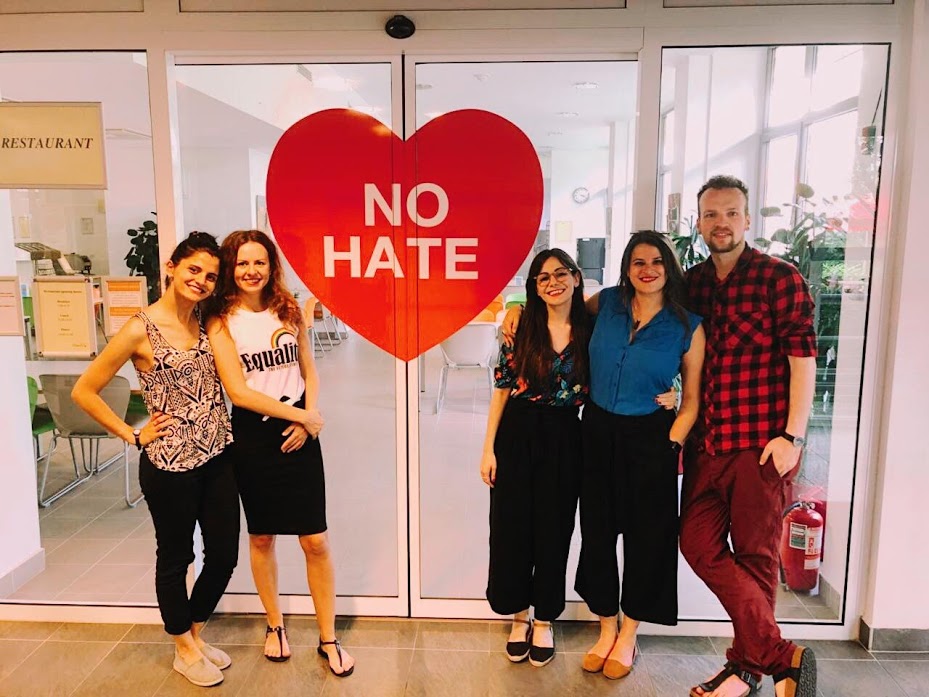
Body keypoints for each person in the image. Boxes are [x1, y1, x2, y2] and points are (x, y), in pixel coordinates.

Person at [72, 232, 239, 688]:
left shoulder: (207, 320)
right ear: (171, 267)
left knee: (224, 555)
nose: (201, 281)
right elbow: (85, 390)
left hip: (218, 455)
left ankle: (194, 636)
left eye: (210, 276)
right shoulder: (138, 328)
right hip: (168, 466)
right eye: (193, 270)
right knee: (176, 557)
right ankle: (183, 647)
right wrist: (132, 433)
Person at [680, 175, 818, 697]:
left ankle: (744, 670)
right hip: (706, 445)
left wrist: (793, 437)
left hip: (761, 447)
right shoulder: (691, 284)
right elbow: (636, 302)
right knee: (696, 543)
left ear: (747, 219)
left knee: (757, 558)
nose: (721, 223)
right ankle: (781, 656)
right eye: (711, 214)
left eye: (731, 213)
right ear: (699, 222)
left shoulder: (779, 278)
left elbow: (802, 359)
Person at [205, 229, 354, 678]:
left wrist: (307, 418)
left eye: (260, 262)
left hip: (299, 430)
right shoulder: (220, 320)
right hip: (253, 435)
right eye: (242, 263)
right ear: (231, 268)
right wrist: (303, 417)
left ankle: (328, 637)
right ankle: (275, 625)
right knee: (262, 537)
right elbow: (237, 391)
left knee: (315, 540)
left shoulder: (288, 308)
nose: (251, 271)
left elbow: (309, 367)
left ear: (272, 266)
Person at [573, 231, 704, 680]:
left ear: (669, 268)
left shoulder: (687, 325)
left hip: (651, 438)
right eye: (638, 262)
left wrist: (671, 443)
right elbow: (563, 310)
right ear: (627, 269)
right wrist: (519, 315)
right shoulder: (607, 303)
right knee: (597, 532)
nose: (648, 270)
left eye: (656, 262)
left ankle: (629, 633)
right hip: (597, 431)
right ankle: (606, 627)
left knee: (647, 539)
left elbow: (692, 399)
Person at [481, 248, 590, 668]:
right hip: (517, 432)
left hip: (566, 436)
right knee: (510, 529)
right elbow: (502, 387)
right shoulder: (521, 326)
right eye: (543, 278)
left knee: (554, 530)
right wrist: (488, 448)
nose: (553, 283)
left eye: (561, 274)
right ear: (535, 287)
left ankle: (544, 618)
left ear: (576, 278)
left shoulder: (591, 328)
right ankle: (518, 615)